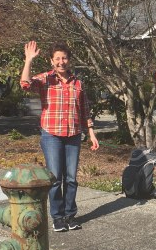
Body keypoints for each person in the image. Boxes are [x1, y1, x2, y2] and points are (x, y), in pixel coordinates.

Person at [21, 40, 99, 232]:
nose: (61, 62)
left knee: (71, 178)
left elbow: (84, 110)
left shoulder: (78, 83)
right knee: (55, 178)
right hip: (52, 135)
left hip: (73, 134)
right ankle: (57, 217)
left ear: (69, 60)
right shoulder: (46, 79)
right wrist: (28, 60)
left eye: (64, 58)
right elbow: (25, 84)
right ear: (51, 61)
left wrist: (91, 132)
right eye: (57, 58)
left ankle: (70, 215)